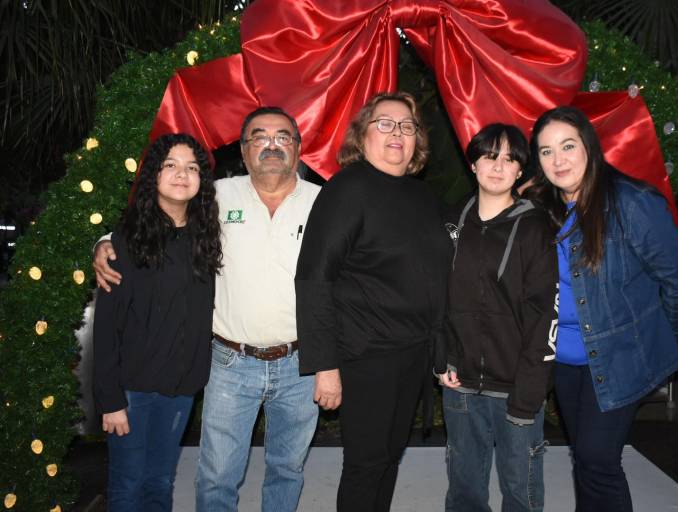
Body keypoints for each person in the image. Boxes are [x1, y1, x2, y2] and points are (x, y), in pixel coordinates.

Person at [93, 107, 321, 512]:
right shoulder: (216, 194)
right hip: (230, 363)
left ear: (299, 148)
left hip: (300, 366)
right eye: (259, 137)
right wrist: (105, 242)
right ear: (243, 150)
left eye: (283, 136)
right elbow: (159, 216)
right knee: (216, 475)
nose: (271, 145)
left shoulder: (325, 203)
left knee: (287, 469)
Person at [524, 105, 678, 512]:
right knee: (586, 459)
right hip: (564, 360)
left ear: (589, 145)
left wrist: (657, 342)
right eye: (547, 151)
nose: (558, 159)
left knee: (598, 461)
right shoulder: (545, 208)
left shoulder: (630, 202)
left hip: (619, 358)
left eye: (568, 146)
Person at [295, 91, 452, 511]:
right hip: (366, 356)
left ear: (417, 140)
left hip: (412, 354)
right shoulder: (347, 189)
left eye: (407, 125)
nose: (397, 132)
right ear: (362, 136)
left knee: (388, 458)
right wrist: (325, 366)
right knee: (366, 465)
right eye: (384, 123)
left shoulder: (422, 197)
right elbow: (313, 279)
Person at [92, 133, 222, 512]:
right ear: (154, 175)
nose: (182, 174)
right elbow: (106, 328)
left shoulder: (207, 236)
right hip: (131, 392)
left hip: (181, 389)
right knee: (127, 485)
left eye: (192, 167)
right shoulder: (126, 240)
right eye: (171, 165)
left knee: (160, 481)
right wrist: (110, 400)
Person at [435, 123, 558, 512]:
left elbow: (545, 313)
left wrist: (530, 391)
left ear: (520, 170)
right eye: (489, 156)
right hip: (460, 383)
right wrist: (442, 358)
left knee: (522, 492)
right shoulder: (451, 222)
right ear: (473, 164)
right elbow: (435, 299)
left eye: (509, 159)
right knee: (464, 493)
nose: (498, 166)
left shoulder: (535, 226)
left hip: (516, 385)